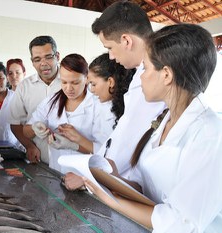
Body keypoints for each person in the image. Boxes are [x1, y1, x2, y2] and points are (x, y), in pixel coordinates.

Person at [85, 24, 222, 233]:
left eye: (145, 68)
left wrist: (113, 201)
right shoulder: (167, 118)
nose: (141, 76)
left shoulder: (209, 133)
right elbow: (153, 188)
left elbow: (180, 222)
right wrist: (109, 179)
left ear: (166, 74)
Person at [63, 1, 166, 190]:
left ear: (126, 41)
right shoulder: (140, 74)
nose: (110, 56)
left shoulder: (154, 80)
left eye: (109, 47)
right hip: (120, 180)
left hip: (134, 186)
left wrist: (92, 177)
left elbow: (129, 141)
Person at [22, 54, 109, 172]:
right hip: (57, 173)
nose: (68, 88)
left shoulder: (98, 104)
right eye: (64, 82)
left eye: (75, 83)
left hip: (87, 177)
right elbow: (26, 132)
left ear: (86, 78)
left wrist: (74, 145)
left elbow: (105, 152)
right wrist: (35, 128)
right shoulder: (51, 102)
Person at [9, 36, 61, 163]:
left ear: (57, 56)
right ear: (32, 62)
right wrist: (30, 146)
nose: (43, 63)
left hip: (67, 160)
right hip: (38, 160)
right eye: (37, 59)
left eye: (48, 57)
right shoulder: (24, 87)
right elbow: (15, 124)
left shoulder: (69, 83)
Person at [88, 53, 135, 129]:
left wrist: (80, 139)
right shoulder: (114, 105)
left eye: (93, 84)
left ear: (110, 82)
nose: (92, 90)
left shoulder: (128, 111)